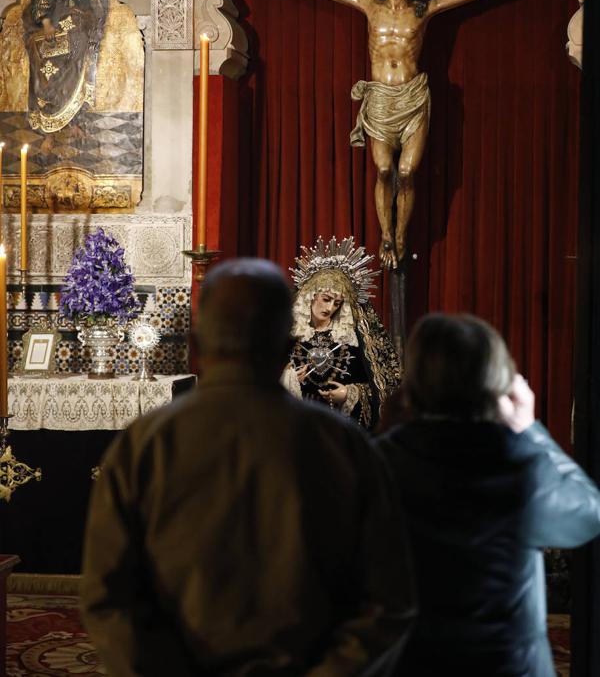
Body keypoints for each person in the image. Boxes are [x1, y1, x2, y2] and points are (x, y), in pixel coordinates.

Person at [81, 258, 416, 676]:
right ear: (282, 347)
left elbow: (107, 596)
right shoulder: (345, 447)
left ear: (196, 346)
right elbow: (389, 598)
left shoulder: (143, 445)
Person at [242, 0, 556, 269]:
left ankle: (401, 235)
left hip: (413, 97)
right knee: (384, 168)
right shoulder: (369, 6)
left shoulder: (425, 10)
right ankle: (385, 234)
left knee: (406, 173)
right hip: (380, 100)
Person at [376, 313, 600, 676]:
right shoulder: (518, 462)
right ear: (497, 379)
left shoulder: (380, 461)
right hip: (505, 662)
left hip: (412, 659)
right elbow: (588, 516)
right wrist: (528, 428)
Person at [282, 236, 402, 430]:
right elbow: (256, 386)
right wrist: (289, 381)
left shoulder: (353, 337)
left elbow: (386, 389)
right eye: (326, 299)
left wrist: (350, 394)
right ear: (312, 295)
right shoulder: (286, 334)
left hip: (341, 429)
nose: (330, 308)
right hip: (297, 429)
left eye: (337, 303)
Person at [23, 0, 109, 133]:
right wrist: (46, 22)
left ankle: (74, 119)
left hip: (82, 20)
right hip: (60, 19)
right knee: (75, 42)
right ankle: (54, 116)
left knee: (85, 44)